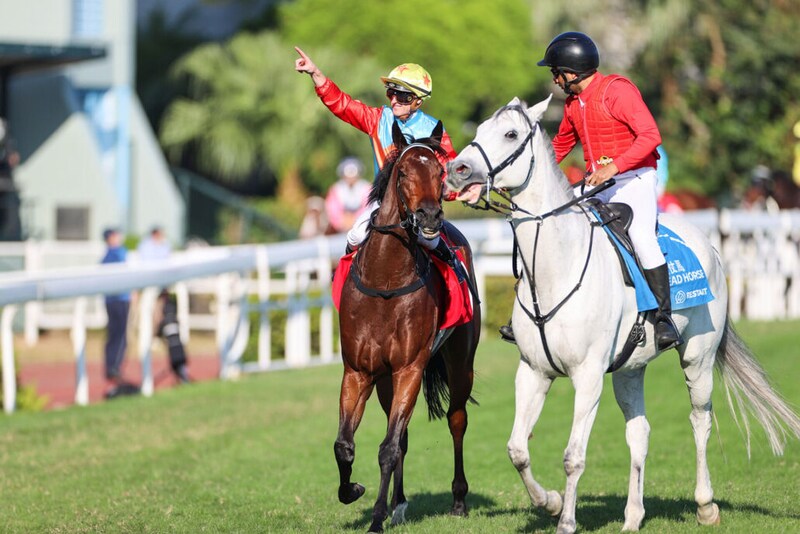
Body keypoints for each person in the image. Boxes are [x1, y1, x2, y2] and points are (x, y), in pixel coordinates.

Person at [501, 31, 682, 352]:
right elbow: (558, 146)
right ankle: (528, 313)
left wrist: (614, 168)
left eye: (556, 72)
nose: (555, 79)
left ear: (572, 71)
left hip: (635, 178)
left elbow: (650, 136)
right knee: (549, 224)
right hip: (598, 182)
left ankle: (664, 318)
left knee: (641, 237)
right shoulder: (573, 104)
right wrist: (521, 174)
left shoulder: (617, 91)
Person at [294, 47, 463, 270]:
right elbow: (343, 105)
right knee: (355, 236)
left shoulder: (434, 129)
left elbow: (450, 174)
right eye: (391, 93)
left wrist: (456, 191)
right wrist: (316, 74)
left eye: (402, 95)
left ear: (418, 101)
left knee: (434, 245)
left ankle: (460, 280)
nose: (394, 100)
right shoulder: (378, 119)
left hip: (422, 209)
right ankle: (343, 286)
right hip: (383, 204)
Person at [136, 226, 190, 384]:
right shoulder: (146, 246)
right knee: (150, 317)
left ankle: (160, 340)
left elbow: (169, 261)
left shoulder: (165, 245)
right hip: (151, 289)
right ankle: (152, 338)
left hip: (163, 290)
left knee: (168, 320)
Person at [101, 228, 139, 399]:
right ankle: (114, 367)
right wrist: (133, 292)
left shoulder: (106, 255)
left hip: (111, 300)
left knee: (114, 333)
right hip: (120, 299)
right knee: (120, 333)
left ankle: (112, 367)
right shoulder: (118, 253)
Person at [325, 157, 371, 234]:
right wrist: (341, 221)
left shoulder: (366, 188)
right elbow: (332, 209)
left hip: (361, 227)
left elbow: (368, 207)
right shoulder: (336, 189)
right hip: (340, 229)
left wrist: (355, 220)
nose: (350, 178)